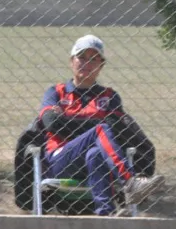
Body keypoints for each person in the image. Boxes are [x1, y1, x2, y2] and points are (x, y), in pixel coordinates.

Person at [38, 34, 163, 216]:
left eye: (93, 59)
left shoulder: (109, 96)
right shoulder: (56, 92)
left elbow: (116, 127)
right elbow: (52, 124)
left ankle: (106, 214)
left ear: (101, 66)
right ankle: (130, 182)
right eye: (81, 57)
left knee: (95, 152)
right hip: (61, 160)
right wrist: (96, 125)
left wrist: (68, 122)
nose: (86, 63)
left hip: (93, 160)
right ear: (71, 61)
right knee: (101, 130)